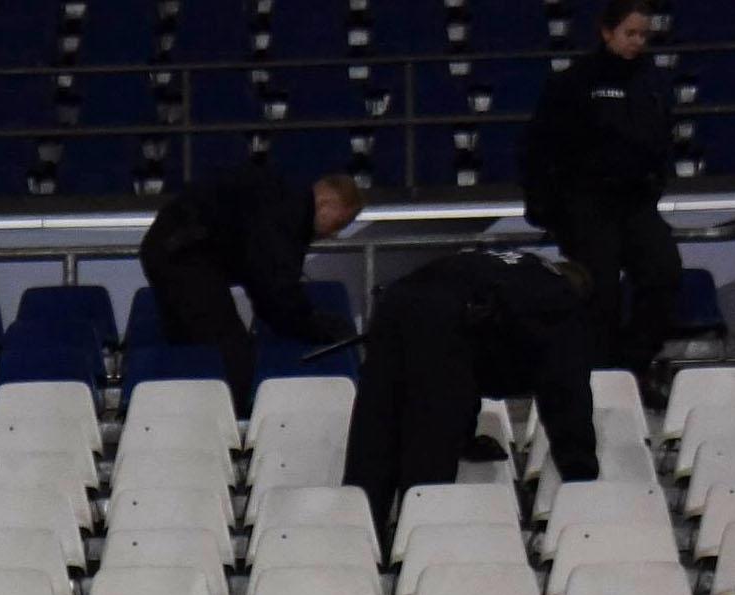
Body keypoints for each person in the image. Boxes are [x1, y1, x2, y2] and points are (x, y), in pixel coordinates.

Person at [341, 246, 602, 540]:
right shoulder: (560, 303)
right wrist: (582, 475)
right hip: (444, 320)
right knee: (430, 447)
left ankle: (358, 540)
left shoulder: (512, 266)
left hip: (396, 301)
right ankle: (417, 545)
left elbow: (473, 365)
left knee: (377, 426)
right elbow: (567, 394)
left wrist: (465, 438)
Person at [525, 0, 682, 383]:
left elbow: (662, 140)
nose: (637, 42)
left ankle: (635, 366)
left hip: (635, 202)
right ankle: (601, 376)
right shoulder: (576, 81)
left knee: (664, 272)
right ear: (607, 32)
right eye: (630, 33)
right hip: (587, 204)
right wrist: (547, 205)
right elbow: (539, 145)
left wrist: (653, 185)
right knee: (600, 292)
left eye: (644, 35)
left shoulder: (652, 83)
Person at [134, 164, 361, 416]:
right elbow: (274, 287)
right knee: (229, 352)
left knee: (193, 347)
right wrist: (313, 326)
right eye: (340, 222)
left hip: (174, 248)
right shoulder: (287, 213)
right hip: (184, 254)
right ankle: (231, 421)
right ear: (327, 203)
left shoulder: (280, 196)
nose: (334, 233)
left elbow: (268, 284)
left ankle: (188, 418)